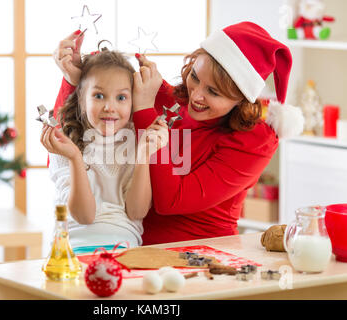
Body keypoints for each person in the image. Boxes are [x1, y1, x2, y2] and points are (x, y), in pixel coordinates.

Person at [53, 22, 304, 246]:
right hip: (129, 246)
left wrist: (142, 110)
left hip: (201, 255)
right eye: (195, 76)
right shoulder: (162, 96)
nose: (196, 96)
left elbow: (170, 201)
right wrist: (73, 78)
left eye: (213, 92)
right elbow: (72, 138)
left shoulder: (254, 141)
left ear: (241, 99)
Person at [42, 31, 168, 253]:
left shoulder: (137, 140)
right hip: (74, 249)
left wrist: (142, 156)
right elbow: (84, 215)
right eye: (99, 96)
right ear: (82, 99)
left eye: (121, 98)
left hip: (126, 248)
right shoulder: (65, 142)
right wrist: (74, 157)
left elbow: (137, 212)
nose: (110, 107)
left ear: (132, 101)